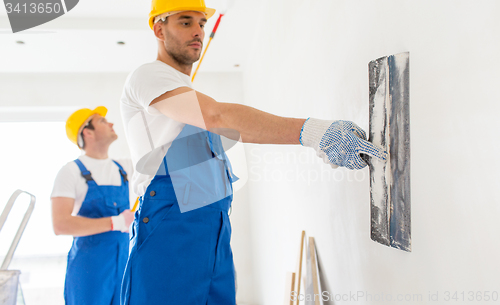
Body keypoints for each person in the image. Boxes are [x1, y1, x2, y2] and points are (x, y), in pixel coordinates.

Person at [119, 0, 387, 304]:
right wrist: (313, 132)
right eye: (185, 22)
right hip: (169, 229)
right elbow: (219, 117)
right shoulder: (149, 75)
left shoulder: (182, 92)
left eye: (202, 23)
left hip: (212, 229)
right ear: (159, 28)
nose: (198, 31)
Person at [51, 106, 135, 305]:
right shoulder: (71, 171)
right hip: (89, 271)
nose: (112, 123)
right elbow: (60, 224)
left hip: (123, 264)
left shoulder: (125, 168)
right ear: (87, 132)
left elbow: (161, 159)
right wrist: (115, 222)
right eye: (103, 121)